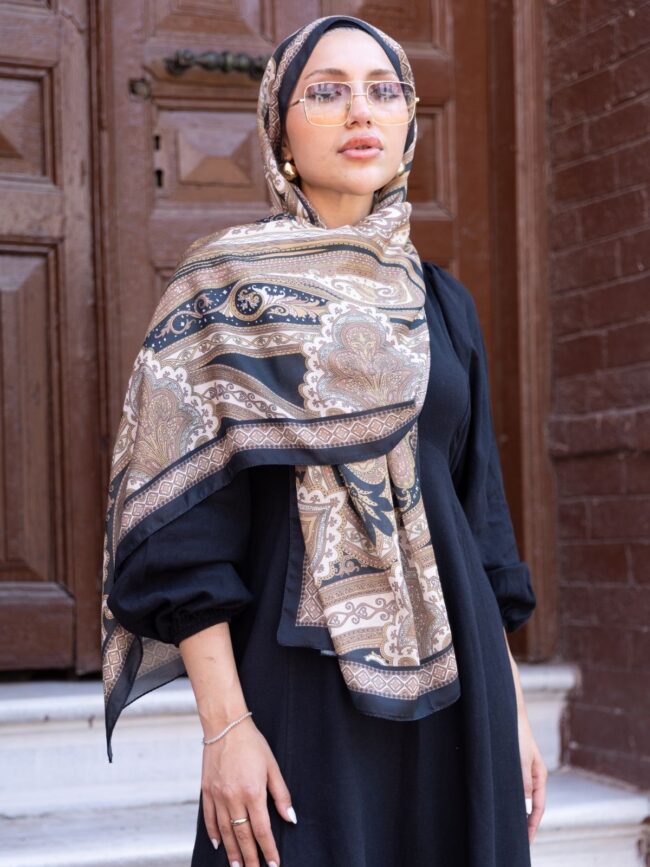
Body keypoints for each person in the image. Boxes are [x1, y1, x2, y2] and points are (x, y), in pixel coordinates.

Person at [100, 14, 547, 867]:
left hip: (461, 688)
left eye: (384, 91)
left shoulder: (443, 304)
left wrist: (515, 712)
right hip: (295, 686)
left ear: (409, 122)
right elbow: (182, 538)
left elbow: (479, 521)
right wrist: (225, 726)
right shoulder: (221, 292)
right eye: (327, 91)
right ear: (280, 130)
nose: (360, 112)